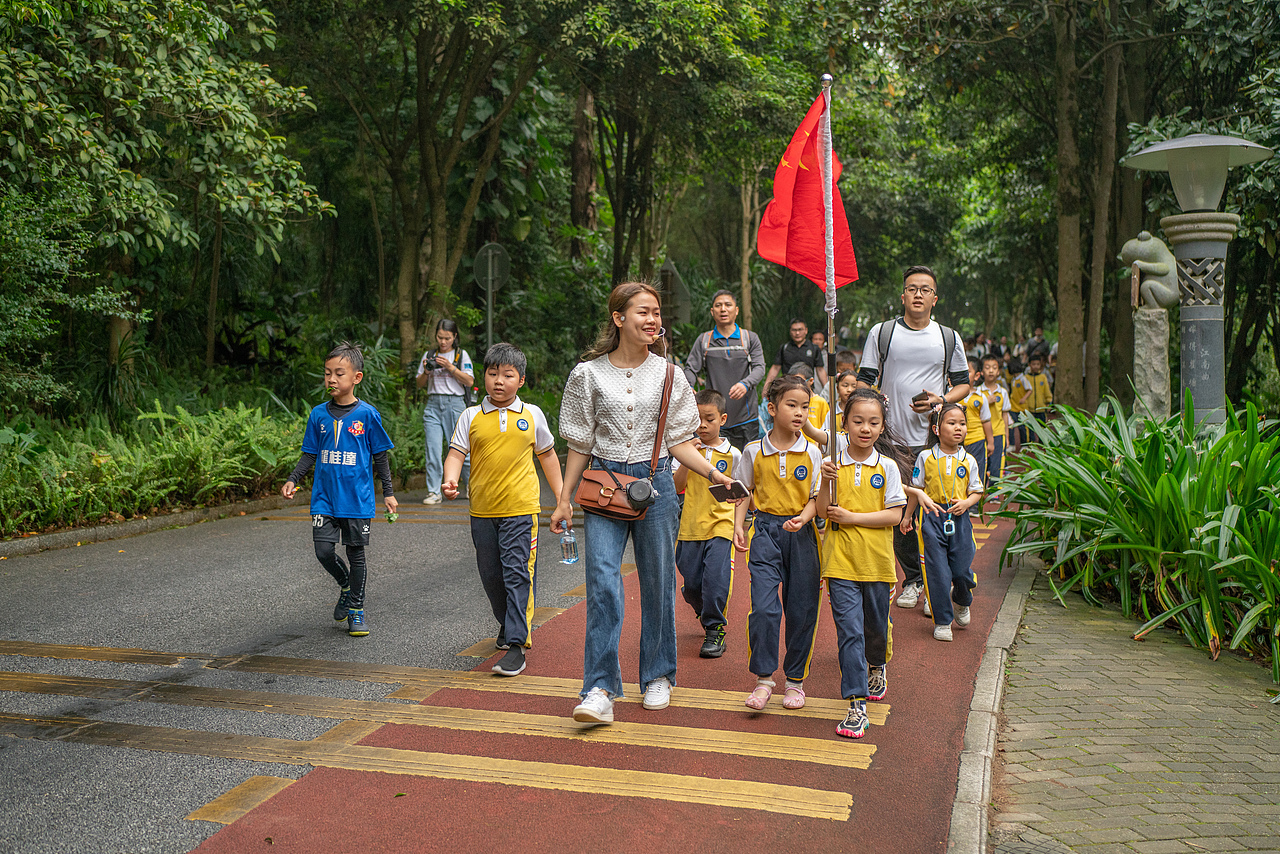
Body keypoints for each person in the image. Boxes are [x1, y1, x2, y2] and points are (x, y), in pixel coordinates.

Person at [551, 282, 738, 725]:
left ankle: (657, 674)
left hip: (656, 483)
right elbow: (579, 443)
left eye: (656, 313)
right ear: (619, 318)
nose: (653, 320)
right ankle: (598, 688)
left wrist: (713, 473)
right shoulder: (588, 374)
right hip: (604, 484)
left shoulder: (671, 375)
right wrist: (563, 500)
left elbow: (679, 441)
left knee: (658, 582)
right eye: (643, 312)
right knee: (602, 583)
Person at [441, 342, 564, 678]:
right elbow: (456, 454)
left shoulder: (531, 415)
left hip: (521, 509)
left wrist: (561, 498)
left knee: (516, 573)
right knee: (491, 576)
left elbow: (548, 455)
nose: (499, 381)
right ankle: (509, 622)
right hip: (482, 511)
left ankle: (515, 645)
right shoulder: (471, 416)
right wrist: (450, 480)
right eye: (493, 373)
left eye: (507, 375)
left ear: (520, 380)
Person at [856, 265, 970, 611]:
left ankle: (941, 582)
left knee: (936, 515)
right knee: (899, 510)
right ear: (902, 296)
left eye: (925, 289)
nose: (918, 294)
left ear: (935, 298)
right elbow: (865, 379)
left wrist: (940, 400)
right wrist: (874, 403)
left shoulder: (947, 337)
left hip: (935, 441)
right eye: (911, 289)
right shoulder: (883, 332)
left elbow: (963, 384)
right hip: (891, 439)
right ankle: (913, 579)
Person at [282, 342, 397, 637]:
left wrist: (389, 492)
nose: (331, 379)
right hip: (324, 498)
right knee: (323, 551)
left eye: (339, 373)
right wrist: (294, 478)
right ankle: (345, 585)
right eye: (327, 373)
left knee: (356, 554)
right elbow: (310, 453)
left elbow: (380, 455)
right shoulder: (318, 415)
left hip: (357, 500)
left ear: (356, 378)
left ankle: (356, 611)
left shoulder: (368, 415)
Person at [816, 389, 909, 739]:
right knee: (849, 633)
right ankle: (856, 705)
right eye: (857, 421)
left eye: (873, 422)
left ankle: (878, 663)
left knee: (875, 628)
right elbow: (825, 512)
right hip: (840, 563)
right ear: (844, 424)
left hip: (877, 563)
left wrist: (852, 517)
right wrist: (826, 481)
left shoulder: (886, 467)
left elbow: (894, 514)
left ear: (882, 426)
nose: (865, 428)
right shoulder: (832, 463)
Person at [733, 374, 823, 712]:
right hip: (766, 533)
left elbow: (817, 496)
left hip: (801, 534)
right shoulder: (753, 450)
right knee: (765, 608)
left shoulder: (813, 453)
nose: (800, 413)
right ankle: (763, 679)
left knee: (802, 610)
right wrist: (739, 525)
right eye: (792, 405)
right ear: (771, 408)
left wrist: (806, 515)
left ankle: (796, 681)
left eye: (805, 407)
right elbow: (743, 492)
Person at [901, 403, 984, 642]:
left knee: (961, 570)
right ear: (936, 429)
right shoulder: (925, 457)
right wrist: (908, 516)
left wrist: (967, 503)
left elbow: (977, 491)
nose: (958, 428)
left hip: (959, 519)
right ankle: (943, 621)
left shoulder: (969, 460)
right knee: (937, 572)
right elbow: (916, 490)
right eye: (952, 423)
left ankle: (962, 599)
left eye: (962, 423)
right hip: (932, 517)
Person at [672, 389, 742, 659]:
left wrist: (737, 525)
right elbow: (678, 486)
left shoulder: (733, 454)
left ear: (722, 419)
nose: (702, 424)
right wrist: (689, 458)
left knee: (715, 580)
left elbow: (741, 491)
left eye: (709, 419)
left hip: (721, 525)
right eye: (697, 418)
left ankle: (715, 630)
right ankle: (701, 605)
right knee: (691, 585)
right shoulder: (685, 451)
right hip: (690, 525)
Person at [682, 289, 766, 450]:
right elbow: (691, 369)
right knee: (714, 465)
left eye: (728, 305)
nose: (723, 309)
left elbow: (759, 368)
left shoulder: (749, 338)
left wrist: (745, 384)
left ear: (736, 310)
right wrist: (689, 387)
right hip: (713, 418)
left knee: (745, 465)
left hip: (746, 418)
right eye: (718, 305)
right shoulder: (704, 340)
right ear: (712, 312)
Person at [417, 319, 474, 505]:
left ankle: (471, 486)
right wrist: (426, 371)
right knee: (432, 450)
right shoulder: (429, 355)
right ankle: (434, 492)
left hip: (455, 404)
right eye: (440, 337)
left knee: (461, 449)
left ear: (455, 337)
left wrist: (450, 367)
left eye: (447, 338)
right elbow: (418, 384)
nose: (443, 342)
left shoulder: (461, 355)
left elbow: (469, 381)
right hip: (433, 404)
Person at [763, 318, 826, 394]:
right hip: (787, 389)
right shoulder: (785, 348)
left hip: (807, 389)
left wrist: (827, 389)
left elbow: (820, 370)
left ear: (806, 330)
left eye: (800, 329)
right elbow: (775, 368)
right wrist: (766, 388)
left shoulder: (814, 348)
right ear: (790, 331)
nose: (797, 333)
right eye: (794, 330)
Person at [960, 356, 994, 483]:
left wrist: (990, 442)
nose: (963, 374)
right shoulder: (951, 394)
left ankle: (977, 502)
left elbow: (986, 420)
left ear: (977, 375)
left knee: (978, 472)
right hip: (956, 441)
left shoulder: (981, 397)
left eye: (967, 371)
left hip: (977, 440)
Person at [979, 354, 1011, 487]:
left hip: (998, 433)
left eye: (994, 368)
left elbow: (1005, 416)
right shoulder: (978, 392)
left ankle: (994, 490)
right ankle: (980, 489)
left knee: (998, 463)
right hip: (982, 433)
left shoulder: (1003, 392)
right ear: (981, 372)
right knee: (983, 461)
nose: (991, 370)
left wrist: (1007, 437)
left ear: (998, 372)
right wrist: (986, 401)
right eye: (987, 367)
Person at [1013, 354, 1053, 440]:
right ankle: (1032, 444)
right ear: (1029, 365)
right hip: (1029, 408)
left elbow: (1047, 391)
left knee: (1043, 427)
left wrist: (1048, 402)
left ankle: (1043, 444)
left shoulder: (1043, 377)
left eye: (1038, 364)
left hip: (1041, 408)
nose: (1036, 366)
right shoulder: (1026, 377)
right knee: (1030, 428)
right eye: (1033, 364)